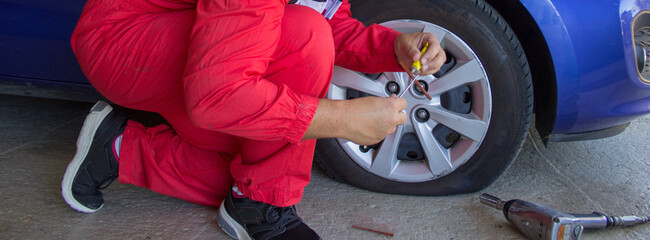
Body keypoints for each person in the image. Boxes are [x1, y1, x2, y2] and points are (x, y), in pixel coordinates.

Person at [60, 0, 445, 239]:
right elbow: (217, 96)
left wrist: (391, 45)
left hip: (196, 40)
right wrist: (341, 118)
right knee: (305, 39)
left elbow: (327, 17)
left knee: (263, 160)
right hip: (124, 39)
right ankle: (260, 205)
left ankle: (119, 147)